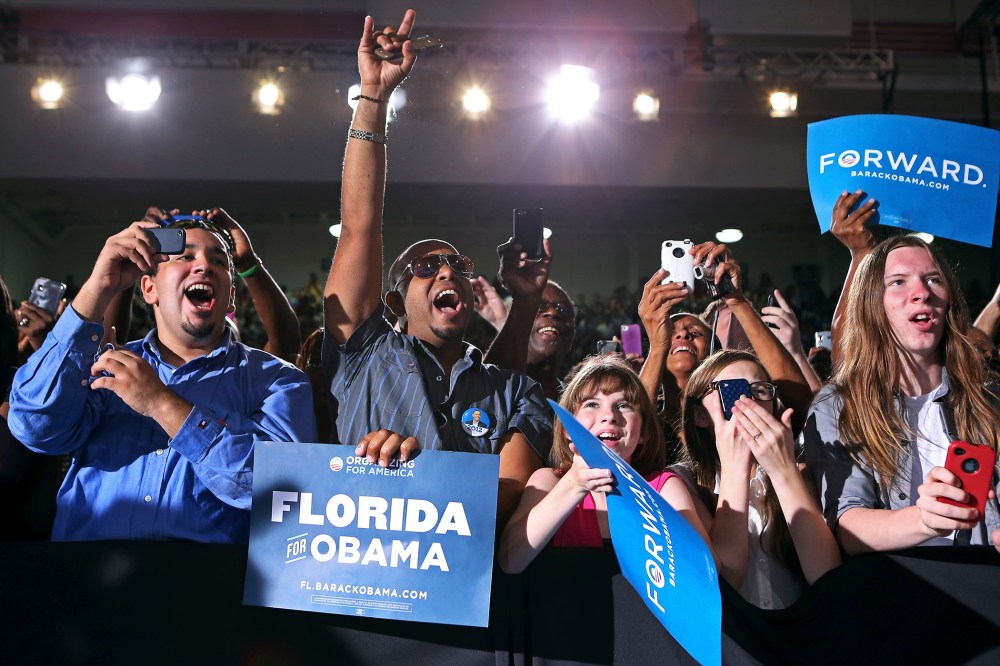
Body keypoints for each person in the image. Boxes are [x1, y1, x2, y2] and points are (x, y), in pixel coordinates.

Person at [322, 9, 551, 529]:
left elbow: (507, 494)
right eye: (426, 266)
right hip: (359, 582)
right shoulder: (364, 355)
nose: (447, 271)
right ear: (395, 301)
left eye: (458, 265)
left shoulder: (515, 392)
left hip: (466, 597)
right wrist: (373, 98)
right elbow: (360, 224)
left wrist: (411, 485)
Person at [7, 217, 317, 543]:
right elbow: (34, 426)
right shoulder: (107, 365)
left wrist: (162, 404)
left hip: (203, 586)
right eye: (185, 256)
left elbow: (280, 493)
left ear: (229, 299)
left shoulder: (277, 381)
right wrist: (98, 287)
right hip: (85, 580)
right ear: (149, 288)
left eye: (218, 260)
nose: (204, 267)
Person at [803, 235, 1000, 553]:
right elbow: (845, 527)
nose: (921, 293)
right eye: (898, 282)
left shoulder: (988, 399)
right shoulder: (839, 406)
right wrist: (924, 520)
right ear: (872, 304)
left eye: (933, 279)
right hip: (899, 592)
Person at [498, 354, 713, 574]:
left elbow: (705, 571)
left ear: (643, 433)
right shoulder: (549, 482)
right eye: (592, 404)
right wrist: (573, 485)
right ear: (566, 429)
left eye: (624, 405)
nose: (609, 416)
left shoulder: (664, 488)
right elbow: (510, 560)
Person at [679, 350, 840, 609]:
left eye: (761, 390)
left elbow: (827, 576)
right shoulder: (684, 483)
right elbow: (724, 581)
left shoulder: (803, 473)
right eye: (732, 390)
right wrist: (735, 468)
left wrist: (783, 471)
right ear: (699, 415)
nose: (748, 402)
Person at [472, 275, 577, 401]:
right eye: (539, 306)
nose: (553, 312)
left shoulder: (579, 406)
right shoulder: (498, 393)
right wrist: (507, 327)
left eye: (564, 310)